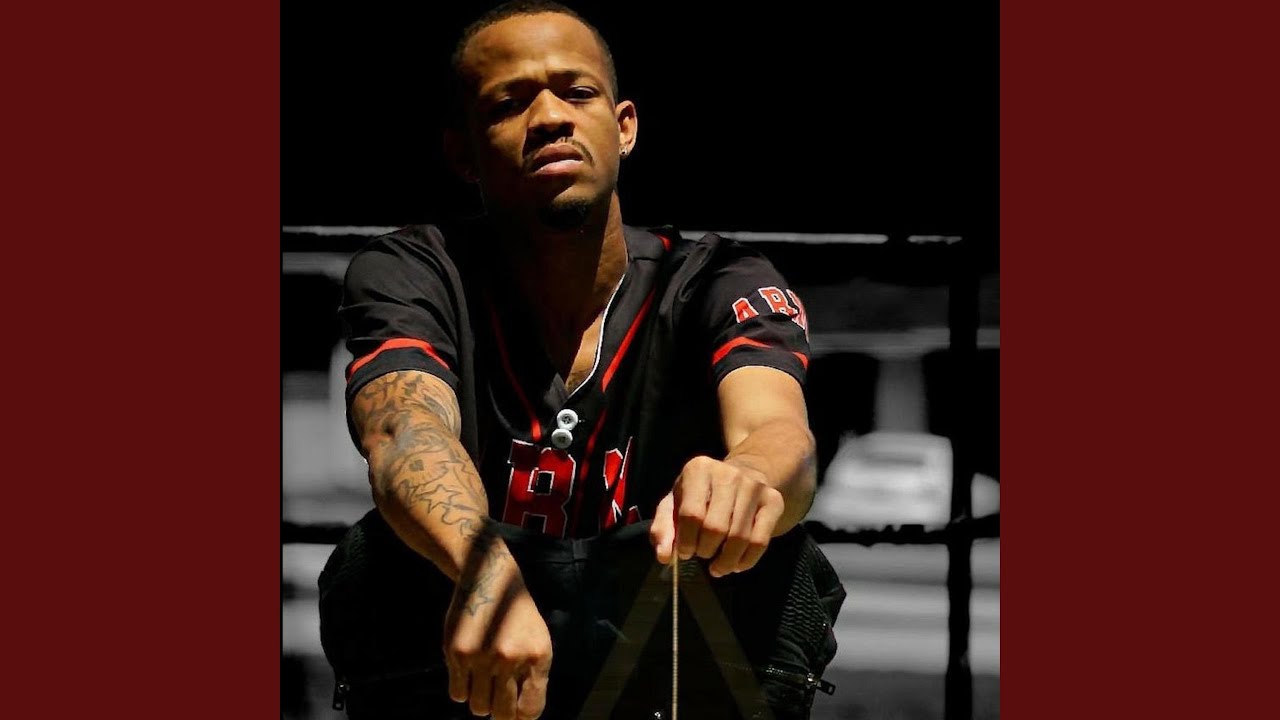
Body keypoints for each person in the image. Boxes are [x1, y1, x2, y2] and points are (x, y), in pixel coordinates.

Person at [317, 3, 845, 719]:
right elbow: (405, 429)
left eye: (577, 91)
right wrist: (483, 570)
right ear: (464, 153)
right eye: (508, 103)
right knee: (379, 562)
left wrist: (748, 478)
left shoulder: (719, 279)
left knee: (778, 560)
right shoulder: (414, 270)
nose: (549, 118)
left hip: (663, 636)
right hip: (480, 659)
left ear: (624, 127)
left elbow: (779, 431)